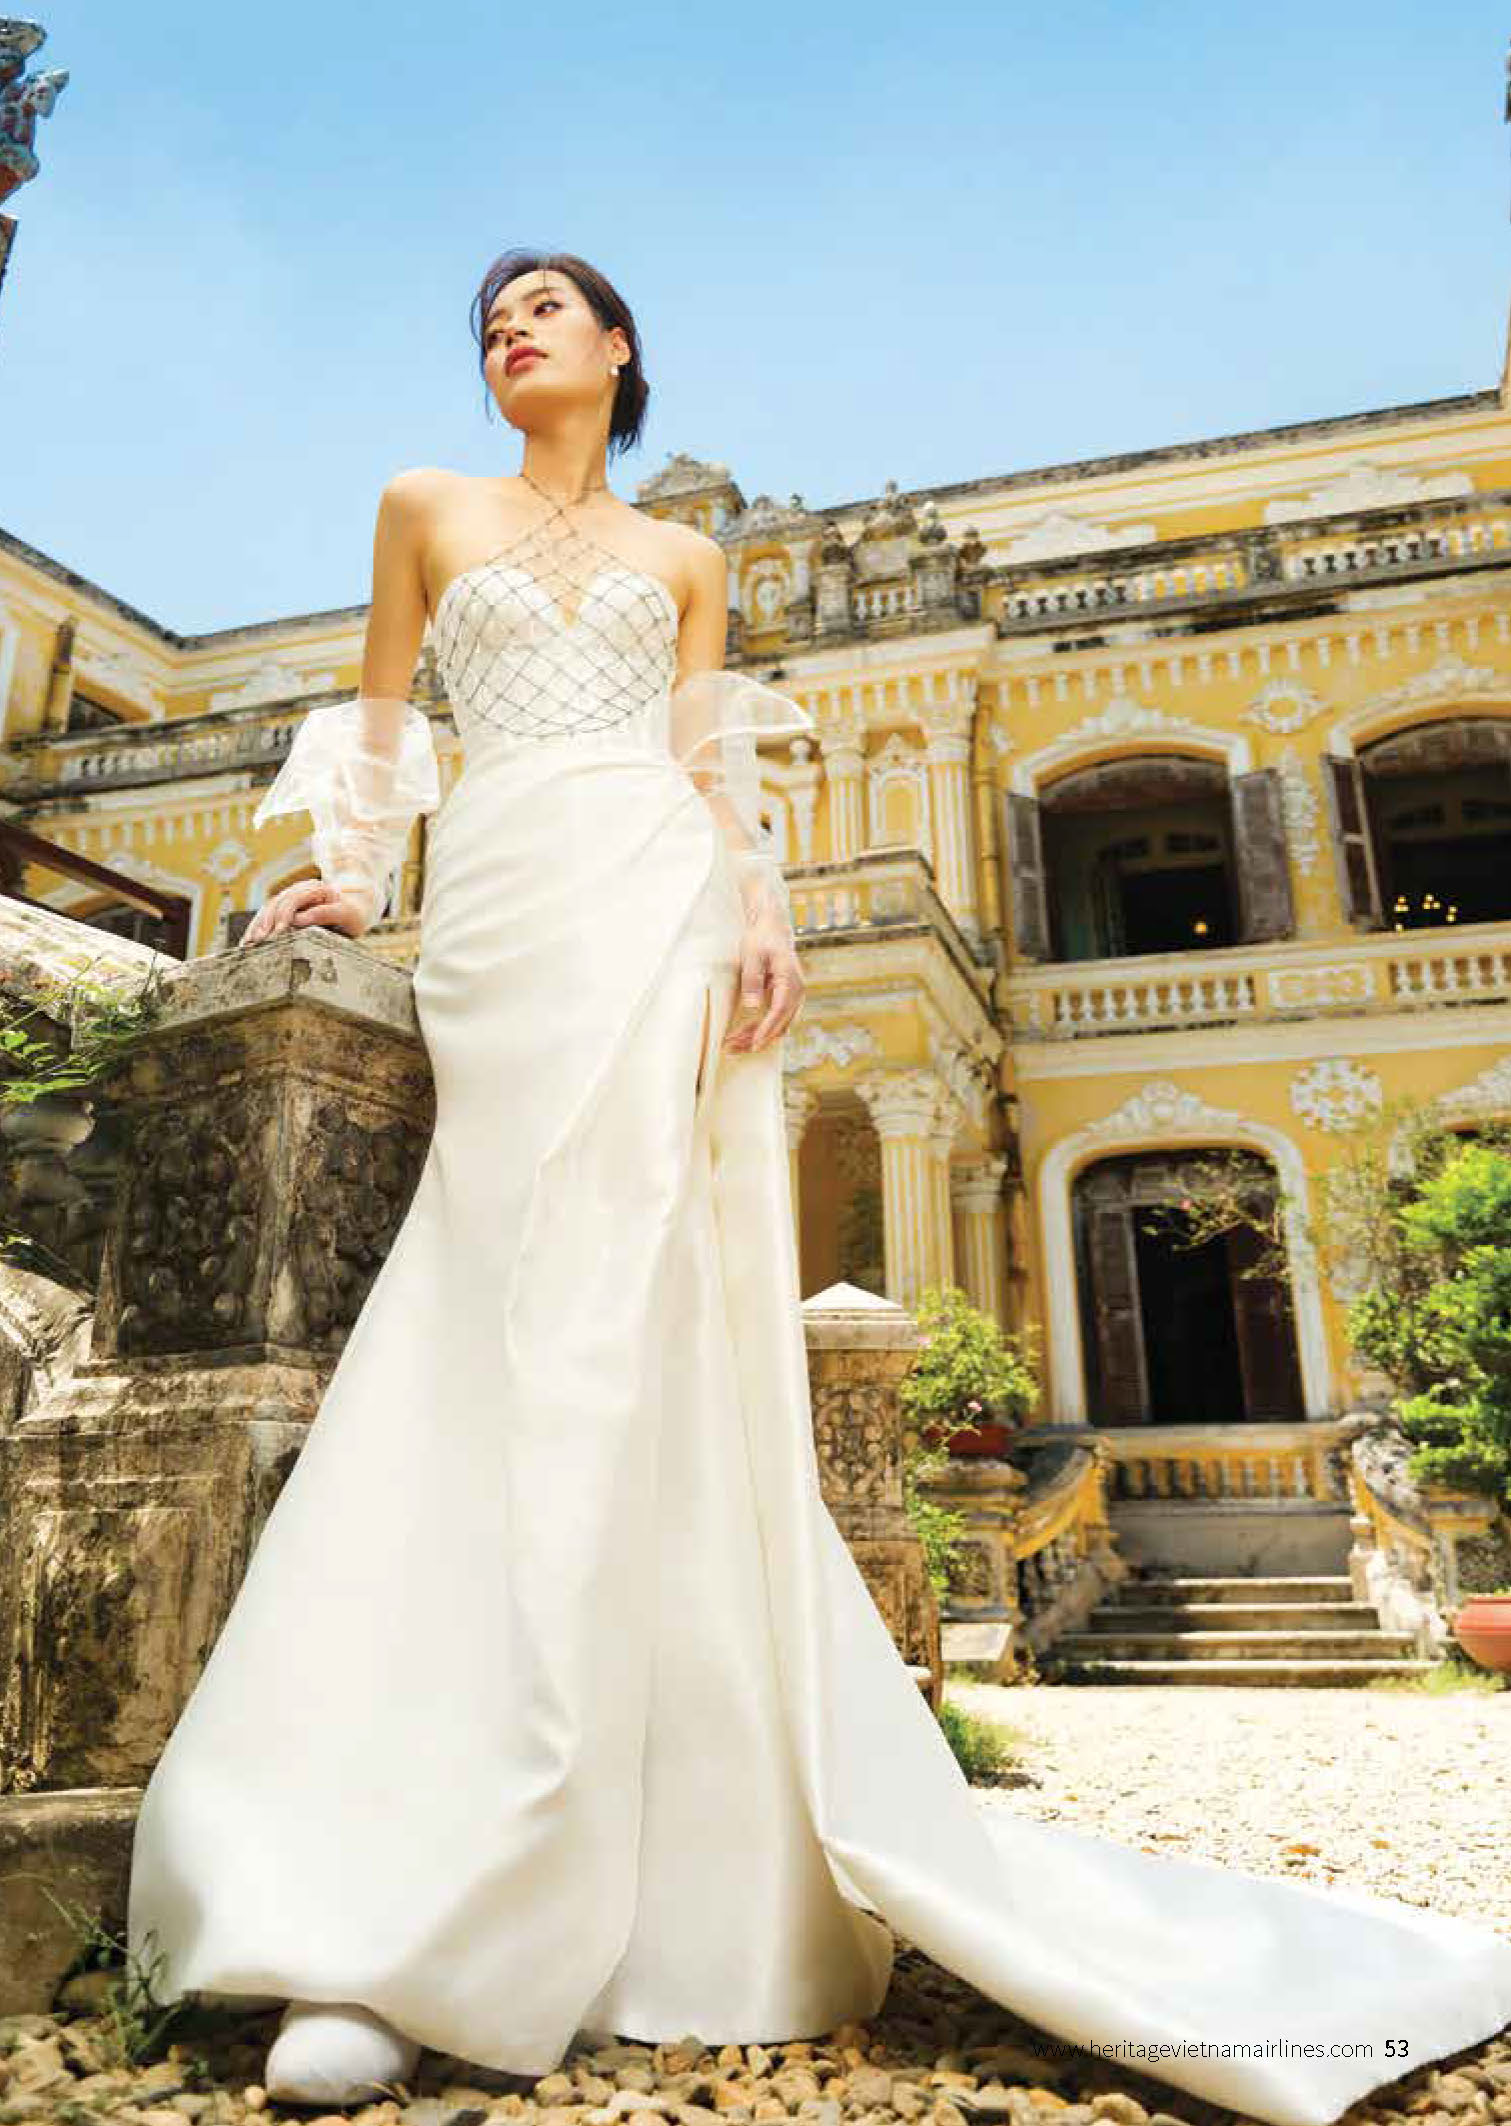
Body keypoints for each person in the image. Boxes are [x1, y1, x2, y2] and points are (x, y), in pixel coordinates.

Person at [125, 250, 1511, 2125]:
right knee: (477, 1306)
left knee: (629, 1330)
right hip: (503, 915)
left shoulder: (687, 562)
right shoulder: (423, 508)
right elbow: (386, 731)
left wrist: (762, 909)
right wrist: (347, 880)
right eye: (490, 319)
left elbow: (707, 771)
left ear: (619, 347)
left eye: (547, 306)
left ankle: (552, 1872)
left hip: (659, 910)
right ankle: (382, 1872)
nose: (510, 328)